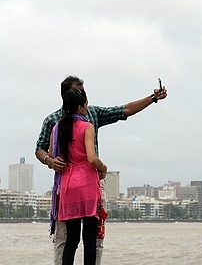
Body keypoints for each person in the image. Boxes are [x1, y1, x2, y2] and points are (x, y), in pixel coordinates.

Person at [35, 75, 167, 265]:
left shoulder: (86, 115)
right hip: (88, 181)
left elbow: (124, 110)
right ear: (68, 96)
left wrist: (152, 98)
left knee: (77, 239)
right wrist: (50, 160)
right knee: (75, 237)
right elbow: (40, 149)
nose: (84, 95)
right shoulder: (57, 120)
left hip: (67, 185)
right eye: (79, 92)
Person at [49, 88, 106, 265]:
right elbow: (91, 158)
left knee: (71, 240)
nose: (88, 108)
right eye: (86, 104)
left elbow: (51, 153)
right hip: (87, 185)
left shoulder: (57, 127)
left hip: (67, 185)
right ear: (80, 107)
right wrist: (103, 167)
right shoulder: (86, 127)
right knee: (89, 239)